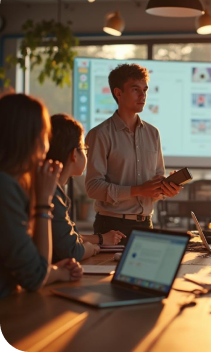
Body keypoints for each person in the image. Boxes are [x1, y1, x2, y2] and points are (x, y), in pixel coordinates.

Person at [85, 64, 181, 244]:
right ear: (118, 93)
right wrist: (138, 190)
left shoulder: (153, 133)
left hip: (146, 225)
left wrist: (166, 189)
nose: (143, 95)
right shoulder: (99, 134)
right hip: (111, 227)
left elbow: (156, 184)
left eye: (145, 90)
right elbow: (92, 187)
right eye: (135, 89)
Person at [0, 93, 83, 299]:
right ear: (30, 140)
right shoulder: (5, 188)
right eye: (45, 136)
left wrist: (54, 271)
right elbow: (34, 277)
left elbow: (30, 267)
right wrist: (44, 202)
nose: (47, 147)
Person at [46, 114, 126, 263]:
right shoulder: (52, 194)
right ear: (73, 155)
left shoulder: (51, 188)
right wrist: (91, 248)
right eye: (84, 148)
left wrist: (100, 239)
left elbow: (67, 234)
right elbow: (72, 251)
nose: (86, 154)